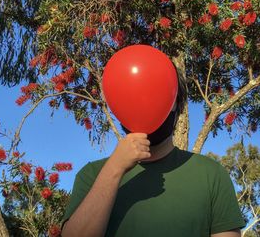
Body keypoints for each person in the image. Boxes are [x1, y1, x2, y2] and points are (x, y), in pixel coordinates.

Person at [61, 65, 245, 237]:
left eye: (157, 95)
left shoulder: (211, 174)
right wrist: (114, 169)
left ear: (177, 104)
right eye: (132, 97)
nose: (145, 105)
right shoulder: (92, 175)